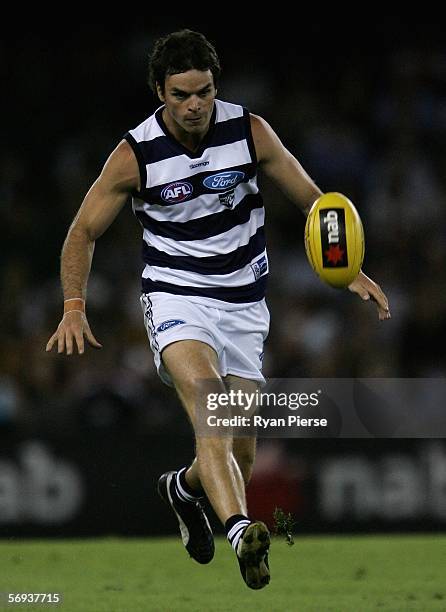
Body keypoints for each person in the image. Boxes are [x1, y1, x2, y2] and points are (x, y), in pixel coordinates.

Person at [46, 29, 391, 590]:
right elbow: (83, 231)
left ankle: (182, 489)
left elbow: (312, 200)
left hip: (244, 303)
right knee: (213, 410)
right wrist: (73, 303)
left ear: (215, 87)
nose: (194, 105)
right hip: (176, 295)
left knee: (239, 449)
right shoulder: (134, 155)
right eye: (180, 94)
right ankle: (239, 530)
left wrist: (344, 268)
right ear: (160, 91)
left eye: (203, 91)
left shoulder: (250, 131)